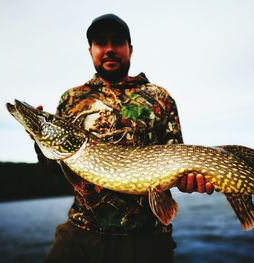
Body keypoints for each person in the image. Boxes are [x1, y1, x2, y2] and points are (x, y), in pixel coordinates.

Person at [34, 14, 214, 263]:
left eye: (117, 42)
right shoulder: (71, 99)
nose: (109, 49)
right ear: (91, 50)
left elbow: (176, 156)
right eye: (101, 42)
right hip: (82, 235)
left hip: (147, 239)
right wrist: (41, 140)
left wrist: (188, 181)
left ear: (130, 48)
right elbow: (55, 168)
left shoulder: (159, 97)